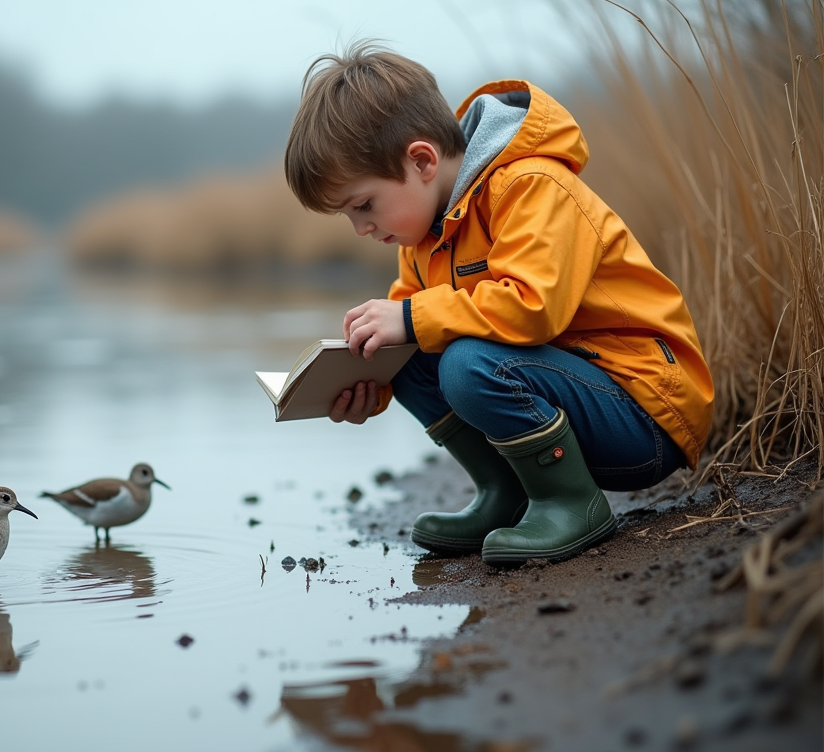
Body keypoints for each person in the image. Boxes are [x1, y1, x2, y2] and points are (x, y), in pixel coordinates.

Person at [283, 42, 714, 565]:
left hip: (643, 412)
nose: (362, 229)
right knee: (408, 346)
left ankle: (570, 501)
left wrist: (411, 319)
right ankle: (507, 493)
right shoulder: (422, 237)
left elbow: (534, 308)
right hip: (571, 396)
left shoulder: (531, 185)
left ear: (421, 160)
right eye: (349, 217)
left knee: (460, 357)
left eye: (364, 205)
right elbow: (408, 340)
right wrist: (363, 386)